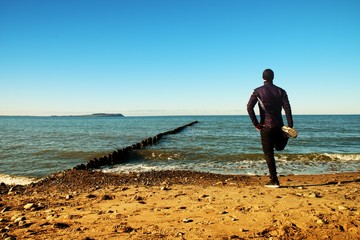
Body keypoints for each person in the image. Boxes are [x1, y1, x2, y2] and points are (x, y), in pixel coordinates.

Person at [247, 69, 294, 188]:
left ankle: (274, 180)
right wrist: (290, 125)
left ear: (263, 78)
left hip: (266, 126)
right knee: (279, 147)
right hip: (279, 126)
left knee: (268, 153)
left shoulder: (257, 91)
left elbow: (249, 107)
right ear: (273, 77)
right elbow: (287, 108)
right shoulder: (281, 91)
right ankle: (286, 135)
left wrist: (256, 124)